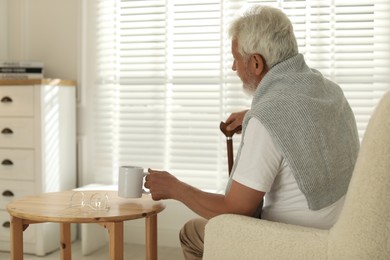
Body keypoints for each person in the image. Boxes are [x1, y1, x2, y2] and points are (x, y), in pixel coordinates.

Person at [144, 5, 359, 260]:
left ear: (256, 63)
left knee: (192, 232)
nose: (234, 67)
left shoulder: (267, 120)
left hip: (298, 243)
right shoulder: (328, 91)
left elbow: (236, 210)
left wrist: (175, 188)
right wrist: (251, 116)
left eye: (236, 58)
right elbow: (302, 119)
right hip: (342, 233)